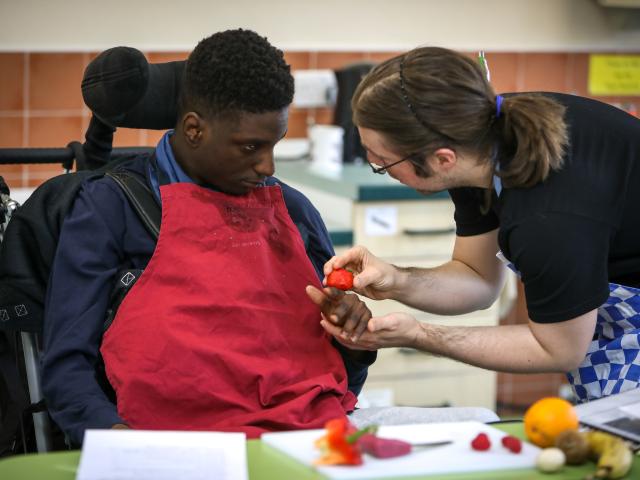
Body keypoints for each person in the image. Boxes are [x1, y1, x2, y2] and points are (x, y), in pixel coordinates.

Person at [41, 29, 377, 446]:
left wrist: (354, 343)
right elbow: (65, 368)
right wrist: (117, 443)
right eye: (250, 146)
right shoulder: (111, 210)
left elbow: (336, 377)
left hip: (301, 443)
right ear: (195, 129)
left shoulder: (293, 213)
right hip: (162, 447)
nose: (267, 165)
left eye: (275, 143)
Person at [307, 46, 640, 404]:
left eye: (384, 162)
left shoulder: (547, 218)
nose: (382, 170)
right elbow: (478, 278)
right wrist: (397, 280)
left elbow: (557, 348)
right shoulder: (476, 139)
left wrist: (419, 335)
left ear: (441, 159)